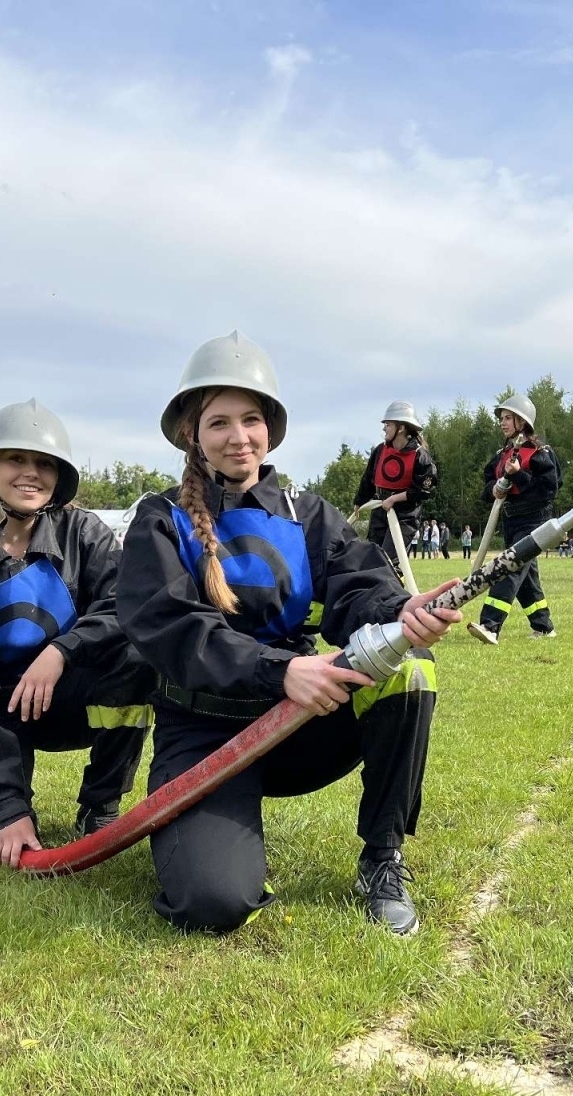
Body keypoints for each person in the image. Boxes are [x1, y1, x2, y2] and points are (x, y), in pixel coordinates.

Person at [116, 332, 461, 936]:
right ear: (192, 434)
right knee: (213, 904)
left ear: (270, 429)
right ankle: (224, 847)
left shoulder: (309, 515)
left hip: (300, 723)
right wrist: (279, 670)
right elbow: (171, 626)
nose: (238, 437)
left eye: (251, 419)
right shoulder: (159, 520)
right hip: (204, 733)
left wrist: (402, 610)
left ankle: (382, 857)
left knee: (409, 666)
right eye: (219, 422)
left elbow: (358, 586)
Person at [0, 399, 156, 867]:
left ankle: (101, 802)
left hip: (67, 700)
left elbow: (125, 605)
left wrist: (61, 651)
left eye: (45, 463)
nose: (31, 473)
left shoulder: (84, 533)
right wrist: (7, 809)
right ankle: (1, 794)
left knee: (137, 657)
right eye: (16, 459)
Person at [466, 395, 559, 643]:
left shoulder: (541, 453)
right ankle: (544, 627)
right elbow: (488, 484)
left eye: (508, 418)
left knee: (510, 567)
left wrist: (518, 475)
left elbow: (548, 491)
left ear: (522, 421)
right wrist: (494, 489)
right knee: (526, 578)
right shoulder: (502, 454)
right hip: (511, 521)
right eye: (502, 418)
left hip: (534, 521)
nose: (502, 423)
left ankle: (490, 625)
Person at [352, 401, 439, 578]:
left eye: (388, 424)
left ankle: (392, 594)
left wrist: (394, 499)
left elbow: (423, 490)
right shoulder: (380, 450)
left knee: (389, 563)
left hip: (405, 515)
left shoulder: (420, 456)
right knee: (372, 559)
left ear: (401, 428)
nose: (384, 428)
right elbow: (368, 479)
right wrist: (359, 503)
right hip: (380, 510)